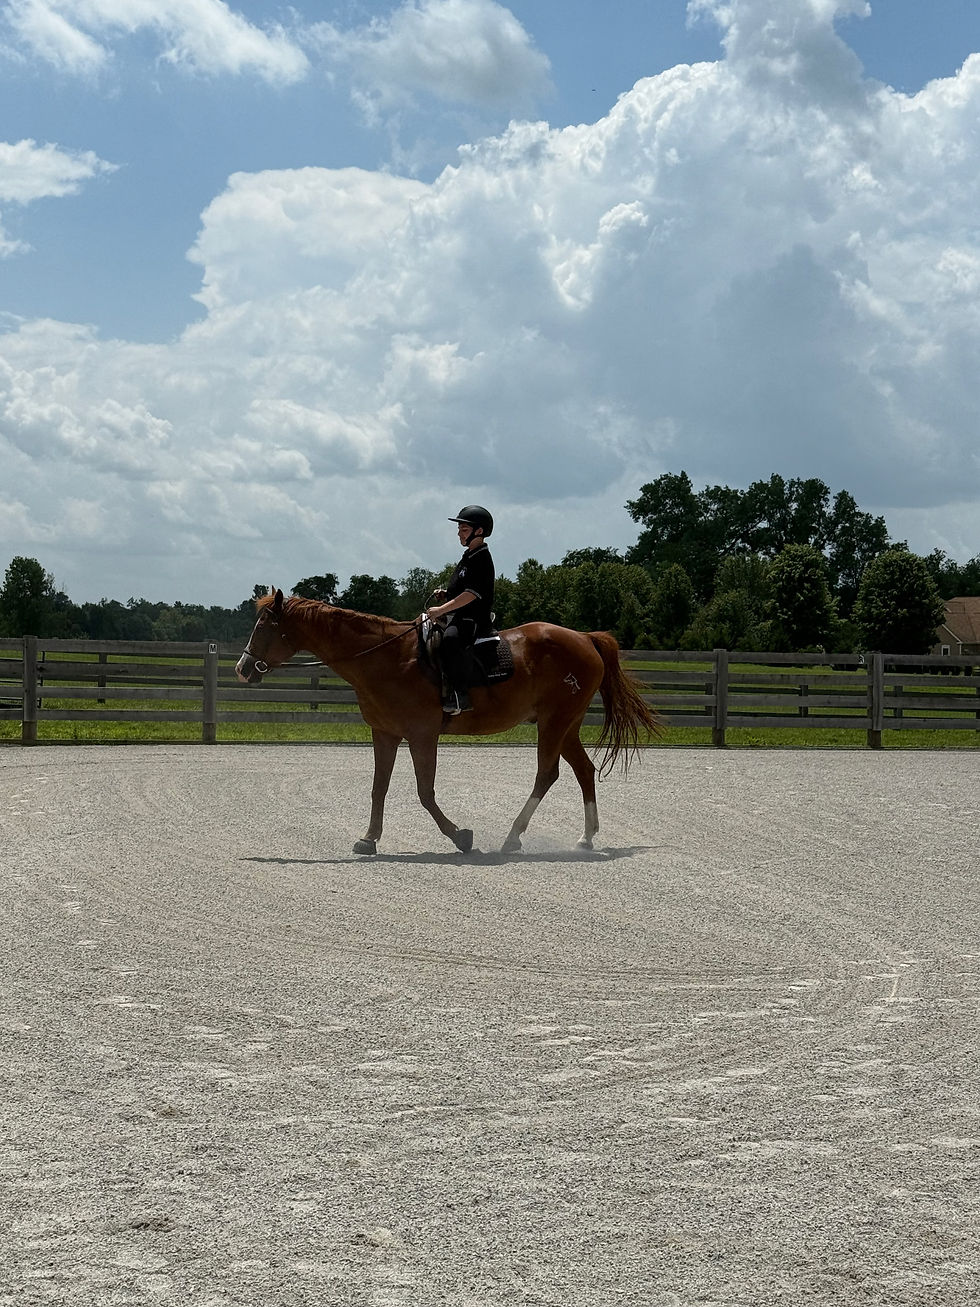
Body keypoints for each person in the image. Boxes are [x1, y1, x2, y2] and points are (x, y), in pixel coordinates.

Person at [426, 505, 495, 715]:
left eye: (464, 530)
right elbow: (462, 588)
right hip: (461, 612)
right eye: (460, 530)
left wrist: (440, 610)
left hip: (472, 618)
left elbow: (472, 594)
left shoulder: (482, 558)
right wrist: (446, 593)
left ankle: (459, 695)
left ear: (479, 531)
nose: (459, 534)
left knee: (451, 640)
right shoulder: (469, 556)